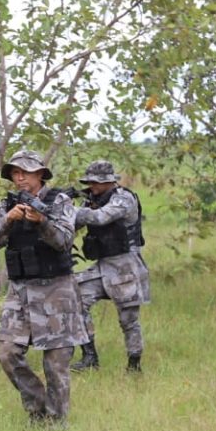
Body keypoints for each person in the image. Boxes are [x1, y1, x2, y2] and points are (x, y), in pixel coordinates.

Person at [0, 149, 87, 425]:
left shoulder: (59, 202)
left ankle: (55, 424)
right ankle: (37, 406)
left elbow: (65, 240)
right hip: (20, 292)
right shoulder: (7, 205)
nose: (19, 178)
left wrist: (41, 222)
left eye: (25, 172)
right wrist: (9, 220)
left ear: (40, 174)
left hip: (56, 290)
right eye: (15, 173)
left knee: (56, 364)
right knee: (7, 353)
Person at [69, 160, 151, 373]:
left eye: (96, 182)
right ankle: (89, 357)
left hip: (126, 268)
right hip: (103, 266)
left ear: (109, 182)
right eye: (89, 182)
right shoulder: (90, 200)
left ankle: (134, 365)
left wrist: (68, 209)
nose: (92, 186)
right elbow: (74, 225)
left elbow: (101, 218)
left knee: (128, 320)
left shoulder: (124, 199)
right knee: (76, 297)